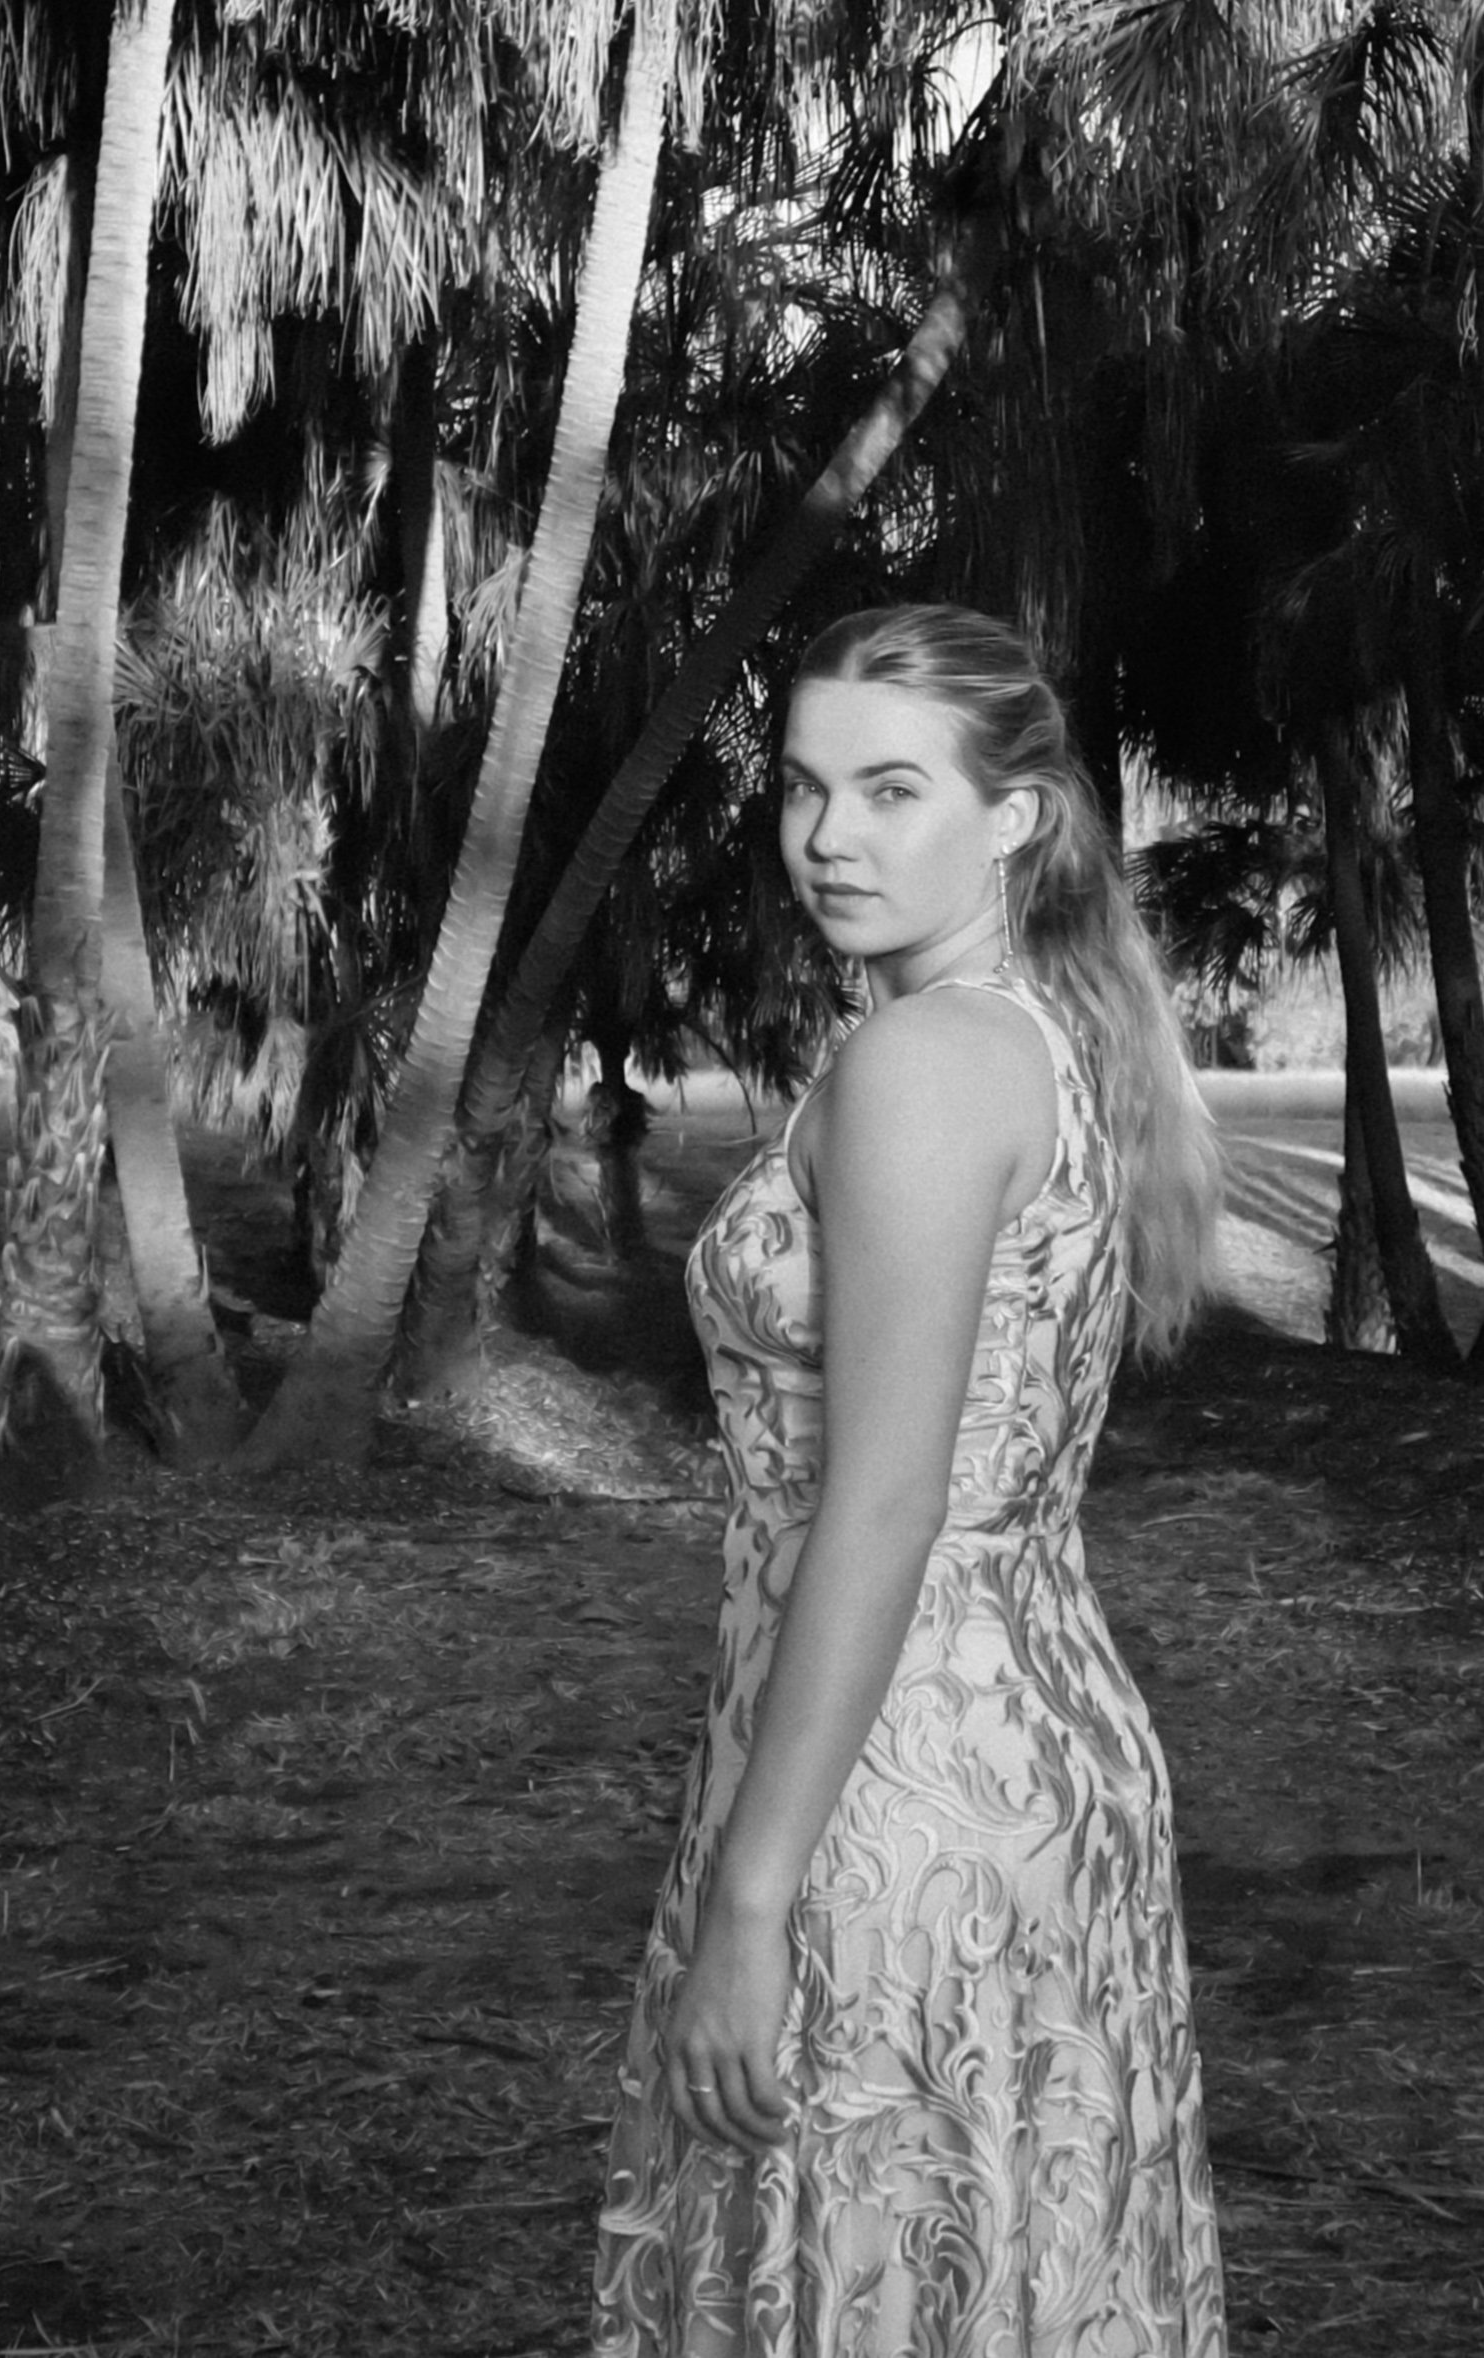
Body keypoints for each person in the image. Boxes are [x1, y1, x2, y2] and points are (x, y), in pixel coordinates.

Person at [590, 605, 1228, 2358]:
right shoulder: (1027, 1034)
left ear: (1013, 817)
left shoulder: (926, 1063)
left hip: (898, 1795)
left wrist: (750, 1891)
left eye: (891, 790)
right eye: (805, 789)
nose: (830, 837)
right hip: (1028, 1761)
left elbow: (888, 1502)